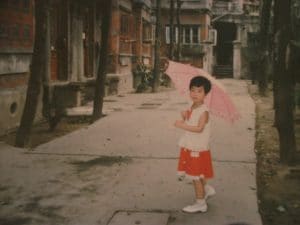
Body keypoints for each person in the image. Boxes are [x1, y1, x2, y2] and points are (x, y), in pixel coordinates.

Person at [174, 76, 216, 213]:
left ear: (206, 94)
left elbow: (199, 129)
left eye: (199, 91)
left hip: (197, 149)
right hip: (192, 145)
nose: (195, 94)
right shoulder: (193, 106)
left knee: (195, 176)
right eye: (192, 90)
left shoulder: (204, 111)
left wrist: (182, 125)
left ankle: (200, 203)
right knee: (199, 173)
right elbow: (192, 120)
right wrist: (186, 115)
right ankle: (207, 189)